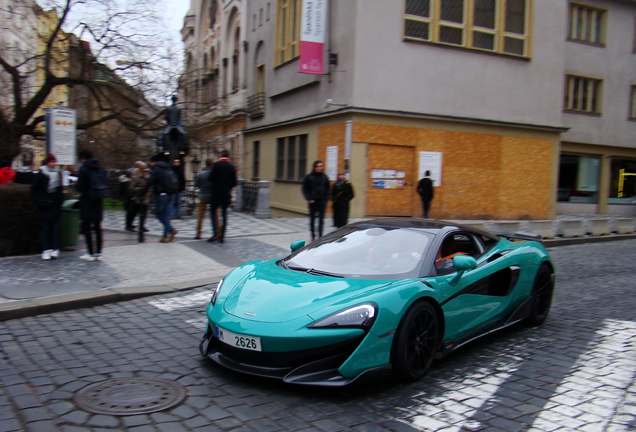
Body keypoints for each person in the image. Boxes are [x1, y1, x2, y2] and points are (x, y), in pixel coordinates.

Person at [30, 154, 64, 260]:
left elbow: (59, 189)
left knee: (54, 228)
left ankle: (54, 248)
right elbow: (35, 189)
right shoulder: (42, 173)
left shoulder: (58, 173)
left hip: (54, 204)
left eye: (54, 162)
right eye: (51, 162)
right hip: (44, 204)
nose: (53, 164)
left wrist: (59, 201)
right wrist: (41, 201)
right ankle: (46, 249)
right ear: (47, 162)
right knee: (45, 228)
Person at [141, 153, 178, 243]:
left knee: (158, 214)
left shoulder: (156, 169)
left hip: (161, 194)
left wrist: (142, 192)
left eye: (151, 162)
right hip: (170, 193)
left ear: (154, 162)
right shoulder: (167, 167)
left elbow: (150, 182)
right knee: (165, 215)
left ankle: (170, 230)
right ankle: (165, 236)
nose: (150, 164)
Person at [76, 149, 106, 261]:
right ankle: (98, 252)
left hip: (87, 199)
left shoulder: (84, 169)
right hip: (98, 199)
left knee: (87, 226)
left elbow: (79, 187)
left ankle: (90, 252)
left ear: (83, 158)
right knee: (98, 226)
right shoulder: (101, 168)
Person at [208, 150, 237, 243]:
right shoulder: (231, 167)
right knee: (224, 215)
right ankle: (222, 236)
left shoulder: (216, 165)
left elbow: (210, 178)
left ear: (221, 155)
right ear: (228, 156)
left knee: (213, 213)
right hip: (225, 194)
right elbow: (234, 182)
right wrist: (228, 187)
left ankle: (215, 233)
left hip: (215, 193)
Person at [302, 160, 330, 240]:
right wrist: (309, 199)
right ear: (314, 167)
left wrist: (326, 199)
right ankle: (313, 236)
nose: (319, 168)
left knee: (321, 220)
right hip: (313, 201)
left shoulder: (324, 177)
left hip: (322, 201)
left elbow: (327, 189)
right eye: (318, 166)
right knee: (312, 220)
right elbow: (305, 189)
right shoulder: (309, 177)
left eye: (321, 166)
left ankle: (320, 236)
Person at [130, 161, 150, 243]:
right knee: (135, 212)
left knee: (144, 213)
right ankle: (131, 225)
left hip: (145, 198)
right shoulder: (137, 177)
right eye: (143, 168)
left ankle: (142, 226)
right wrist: (141, 188)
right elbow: (131, 187)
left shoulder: (147, 176)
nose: (145, 170)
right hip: (139, 197)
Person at [194, 158, 214, 240]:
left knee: (200, 215)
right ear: (212, 164)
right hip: (212, 195)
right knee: (215, 214)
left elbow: (197, 185)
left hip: (203, 195)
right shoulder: (213, 173)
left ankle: (198, 233)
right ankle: (218, 231)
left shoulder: (200, 174)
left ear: (205, 164)